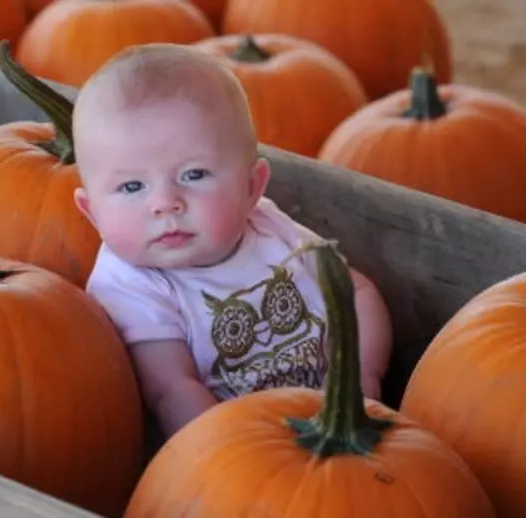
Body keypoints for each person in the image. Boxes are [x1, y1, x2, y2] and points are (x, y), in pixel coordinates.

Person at [71, 43, 393, 439]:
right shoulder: (131, 286)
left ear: (251, 187)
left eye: (194, 175)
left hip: (336, 426)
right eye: (132, 185)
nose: (165, 203)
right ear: (92, 213)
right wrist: (240, 455)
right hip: (234, 455)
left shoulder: (271, 228)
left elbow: (356, 293)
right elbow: (171, 390)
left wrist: (362, 382)